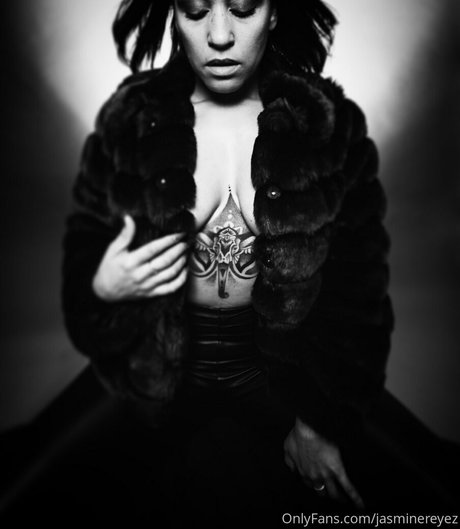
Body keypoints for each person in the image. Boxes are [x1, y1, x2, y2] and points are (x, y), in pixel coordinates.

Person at [2, 0, 458, 526]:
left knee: (430, 494)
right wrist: (102, 287)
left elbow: (359, 288)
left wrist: (318, 421)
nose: (220, 36)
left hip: (280, 371)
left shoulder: (324, 126)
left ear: (274, 13)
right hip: (152, 372)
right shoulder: (133, 120)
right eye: (197, 12)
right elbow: (83, 261)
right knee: (22, 490)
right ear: (174, 15)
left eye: (242, 9)